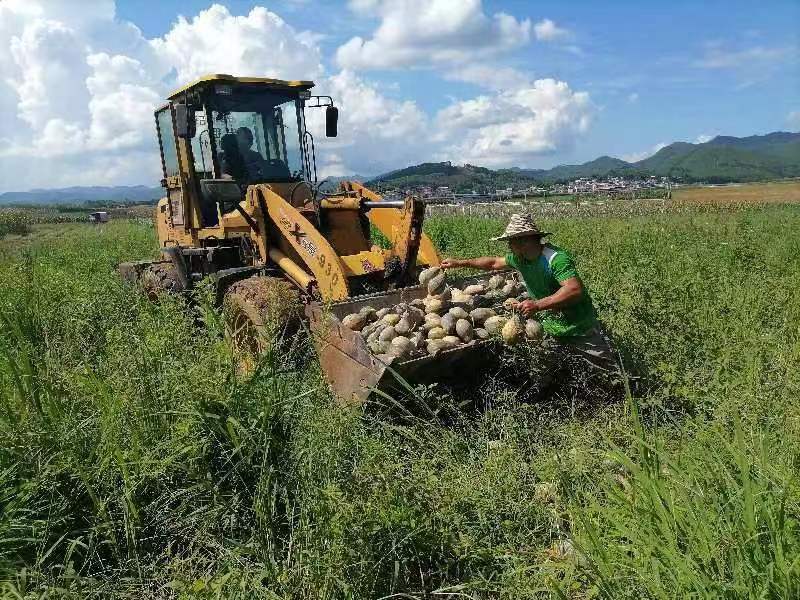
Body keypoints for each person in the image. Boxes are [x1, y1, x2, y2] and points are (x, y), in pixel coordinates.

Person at [440, 213, 619, 377]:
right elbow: (493, 263)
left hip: (579, 325)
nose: (509, 246)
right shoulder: (520, 259)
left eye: (510, 241)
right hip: (550, 325)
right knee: (543, 367)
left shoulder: (555, 259)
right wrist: (460, 263)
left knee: (609, 373)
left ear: (523, 241)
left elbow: (574, 289)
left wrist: (538, 305)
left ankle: (623, 391)